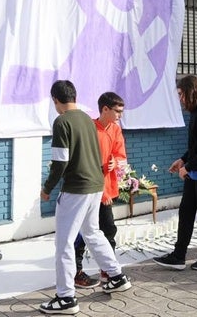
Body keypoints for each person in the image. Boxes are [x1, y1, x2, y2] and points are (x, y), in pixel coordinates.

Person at [39, 81, 131, 315]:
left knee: (64, 243)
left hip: (76, 189)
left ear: (55, 100)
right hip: (96, 186)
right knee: (93, 233)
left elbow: (60, 162)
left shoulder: (62, 121)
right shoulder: (86, 120)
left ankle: (65, 297)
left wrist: (47, 187)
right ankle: (117, 276)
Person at [154, 75, 197, 271]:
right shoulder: (196, 113)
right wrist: (183, 160)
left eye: (181, 94)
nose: (180, 99)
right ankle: (179, 255)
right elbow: (196, 146)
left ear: (191, 92)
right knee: (186, 212)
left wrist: (188, 167)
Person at [73, 92, 128, 288]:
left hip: (106, 190)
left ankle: (107, 270)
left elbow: (121, 157)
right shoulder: (89, 129)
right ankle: (76, 271)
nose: (120, 115)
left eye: (121, 111)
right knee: (83, 234)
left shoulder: (115, 129)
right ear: (105, 109)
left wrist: (115, 161)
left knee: (108, 231)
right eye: (117, 111)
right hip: (90, 189)